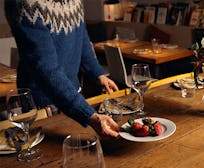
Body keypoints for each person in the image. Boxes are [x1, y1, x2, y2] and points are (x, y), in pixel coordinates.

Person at [5, 0, 120, 139]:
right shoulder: (24, 3)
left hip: (73, 95)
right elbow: (46, 69)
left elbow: (83, 42)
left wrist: (98, 74)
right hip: (42, 104)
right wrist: (88, 115)